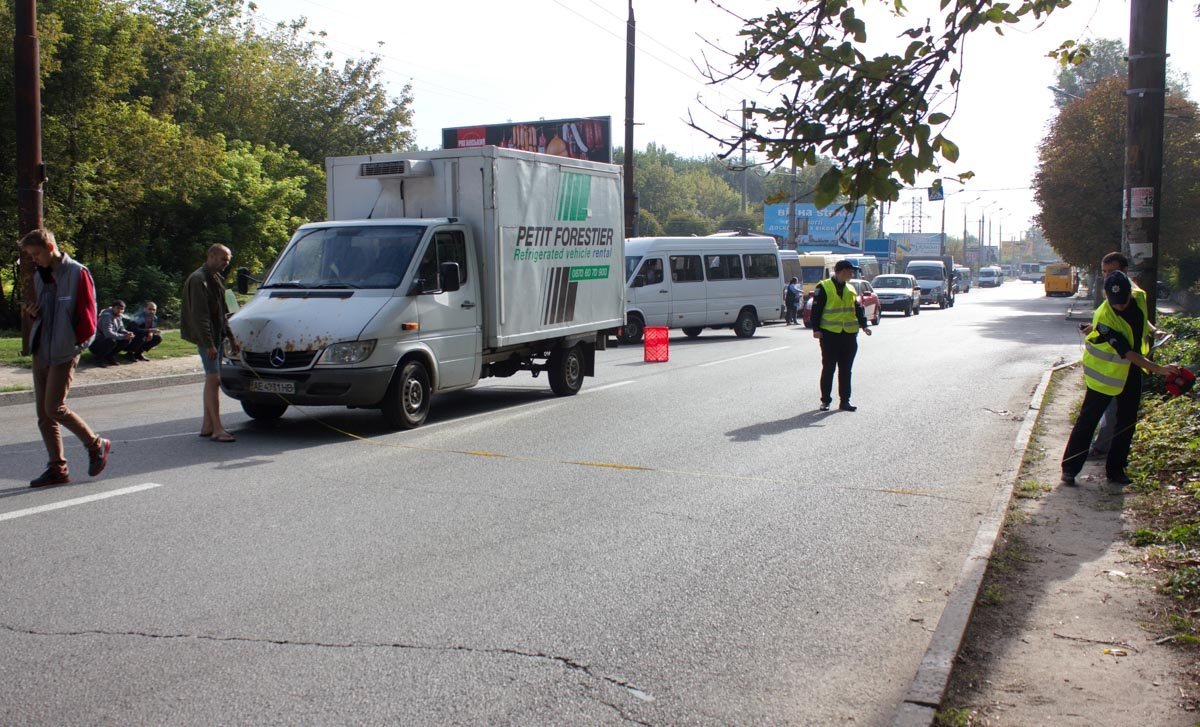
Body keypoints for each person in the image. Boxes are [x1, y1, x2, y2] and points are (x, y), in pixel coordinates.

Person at [1061, 272, 1182, 486]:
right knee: (1088, 420)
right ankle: (1070, 469)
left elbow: (1142, 320)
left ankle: (1116, 470)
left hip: (1132, 372)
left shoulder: (1139, 297)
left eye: (1124, 301)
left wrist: (1155, 331)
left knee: (1127, 421)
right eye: (1115, 303)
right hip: (1106, 374)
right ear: (1106, 296)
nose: (1120, 306)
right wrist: (1160, 369)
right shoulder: (1104, 318)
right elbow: (1127, 353)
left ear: (1130, 293)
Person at [19, 228, 111, 487]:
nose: (34, 259)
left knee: (54, 408)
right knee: (44, 415)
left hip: (64, 353)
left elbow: (89, 319)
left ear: (50, 248)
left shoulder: (77, 273)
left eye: (36, 254)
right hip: (42, 351)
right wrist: (34, 314)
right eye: (30, 255)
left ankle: (96, 444)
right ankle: (57, 468)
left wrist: (76, 347)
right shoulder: (40, 276)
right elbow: (47, 315)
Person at [1089, 252, 1159, 458]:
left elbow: (1139, 319)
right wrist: (1096, 329)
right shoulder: (1112, 291)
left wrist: (1154, 331)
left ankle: (1110, 456)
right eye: (1104, 272)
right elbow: (1108, 323)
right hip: (1111, 364)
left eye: (1112, 271)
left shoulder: (1134, 294)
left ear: (1125, 271)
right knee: (1107, 413)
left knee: (1121, 416)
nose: (1107, 276)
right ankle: (1101, 448)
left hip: (1128, 363)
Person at [182, 244, 239, 442]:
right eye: (224, 259)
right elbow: (200, 316)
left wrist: (231, 337)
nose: (226, 263)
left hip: (216, 337)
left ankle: (207, 425)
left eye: (228, 260)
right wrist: (209, 344)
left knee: (212, 381)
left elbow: (221, 312)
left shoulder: (215, 278)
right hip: (208, 339)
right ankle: (217, 429)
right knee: (213, 379)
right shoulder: (198, 280)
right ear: (212, 256)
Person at [812, 260, 872, 411]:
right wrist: (816, 329)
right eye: (849, 271)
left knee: (846, 369)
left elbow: (858, 308)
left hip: (849, 335)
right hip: (830, 335)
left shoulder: (851, 289)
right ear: (840, 271)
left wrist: (864, 325)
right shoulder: (824, 286)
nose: (852, 274)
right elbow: (816, 309)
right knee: (829, 368)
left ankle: (845, 401)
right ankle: (825, 400)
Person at [89, 299, 136, 366]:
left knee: (127, 339)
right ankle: (99, 358)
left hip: (106, 340)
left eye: (122, 309)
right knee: (111, 340)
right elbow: (108, 333)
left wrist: (127, 333)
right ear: (113, 307)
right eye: (118, 308)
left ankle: (109, 356)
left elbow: (121, 329)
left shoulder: (119, 315)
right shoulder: (107, 316)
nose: (120, 310)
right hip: (96, 344)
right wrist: (124, 336)